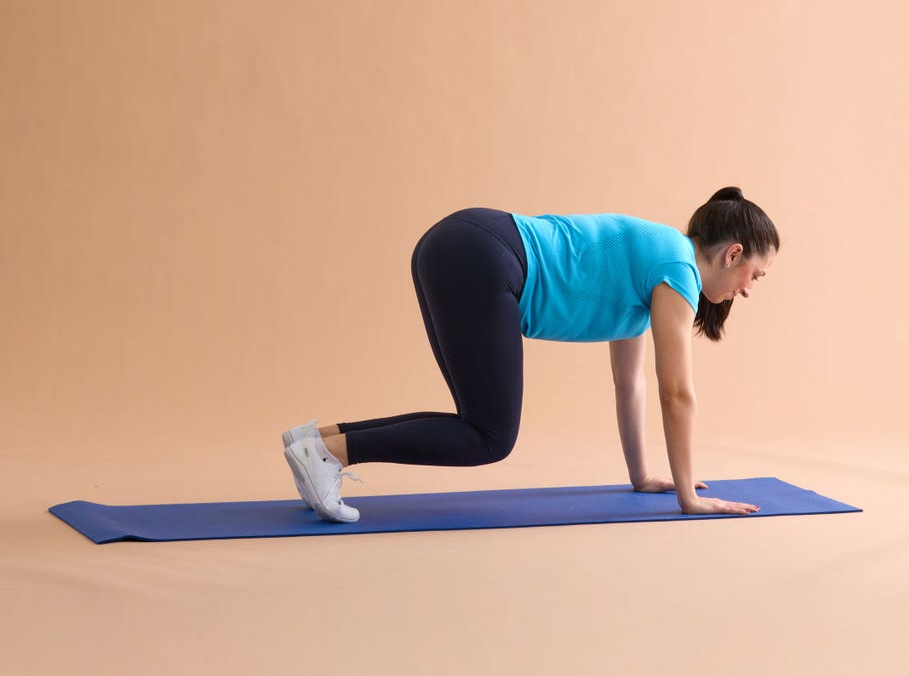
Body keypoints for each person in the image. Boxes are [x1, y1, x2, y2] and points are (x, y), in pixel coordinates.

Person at [282, 186, 779, 524]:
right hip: (483, 255)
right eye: (754, 275)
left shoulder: (655, 269)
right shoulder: (676, 268)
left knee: (477, 422)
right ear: (733, 253)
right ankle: (328, 454)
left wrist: (642, 476)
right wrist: (689, 497)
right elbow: (677, 392)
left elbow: (631, 384)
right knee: (490, 437)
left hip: (461, 244)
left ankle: (317, 442)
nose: (749, 290)